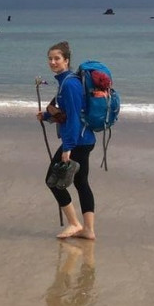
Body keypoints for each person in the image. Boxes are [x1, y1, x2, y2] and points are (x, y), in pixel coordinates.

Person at [36, 41, 97, 240]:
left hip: (77, 141)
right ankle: (88, 230)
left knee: (52, 181)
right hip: (84, 139)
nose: (53, 62)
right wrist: (46, 117)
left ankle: (74, 224)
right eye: (50, 59)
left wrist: (68, 147)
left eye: (57, 58)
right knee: (81, 183)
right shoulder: (65, 81)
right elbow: (65, 113)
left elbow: (73, 118)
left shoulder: (69, 84)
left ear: (67, 60)